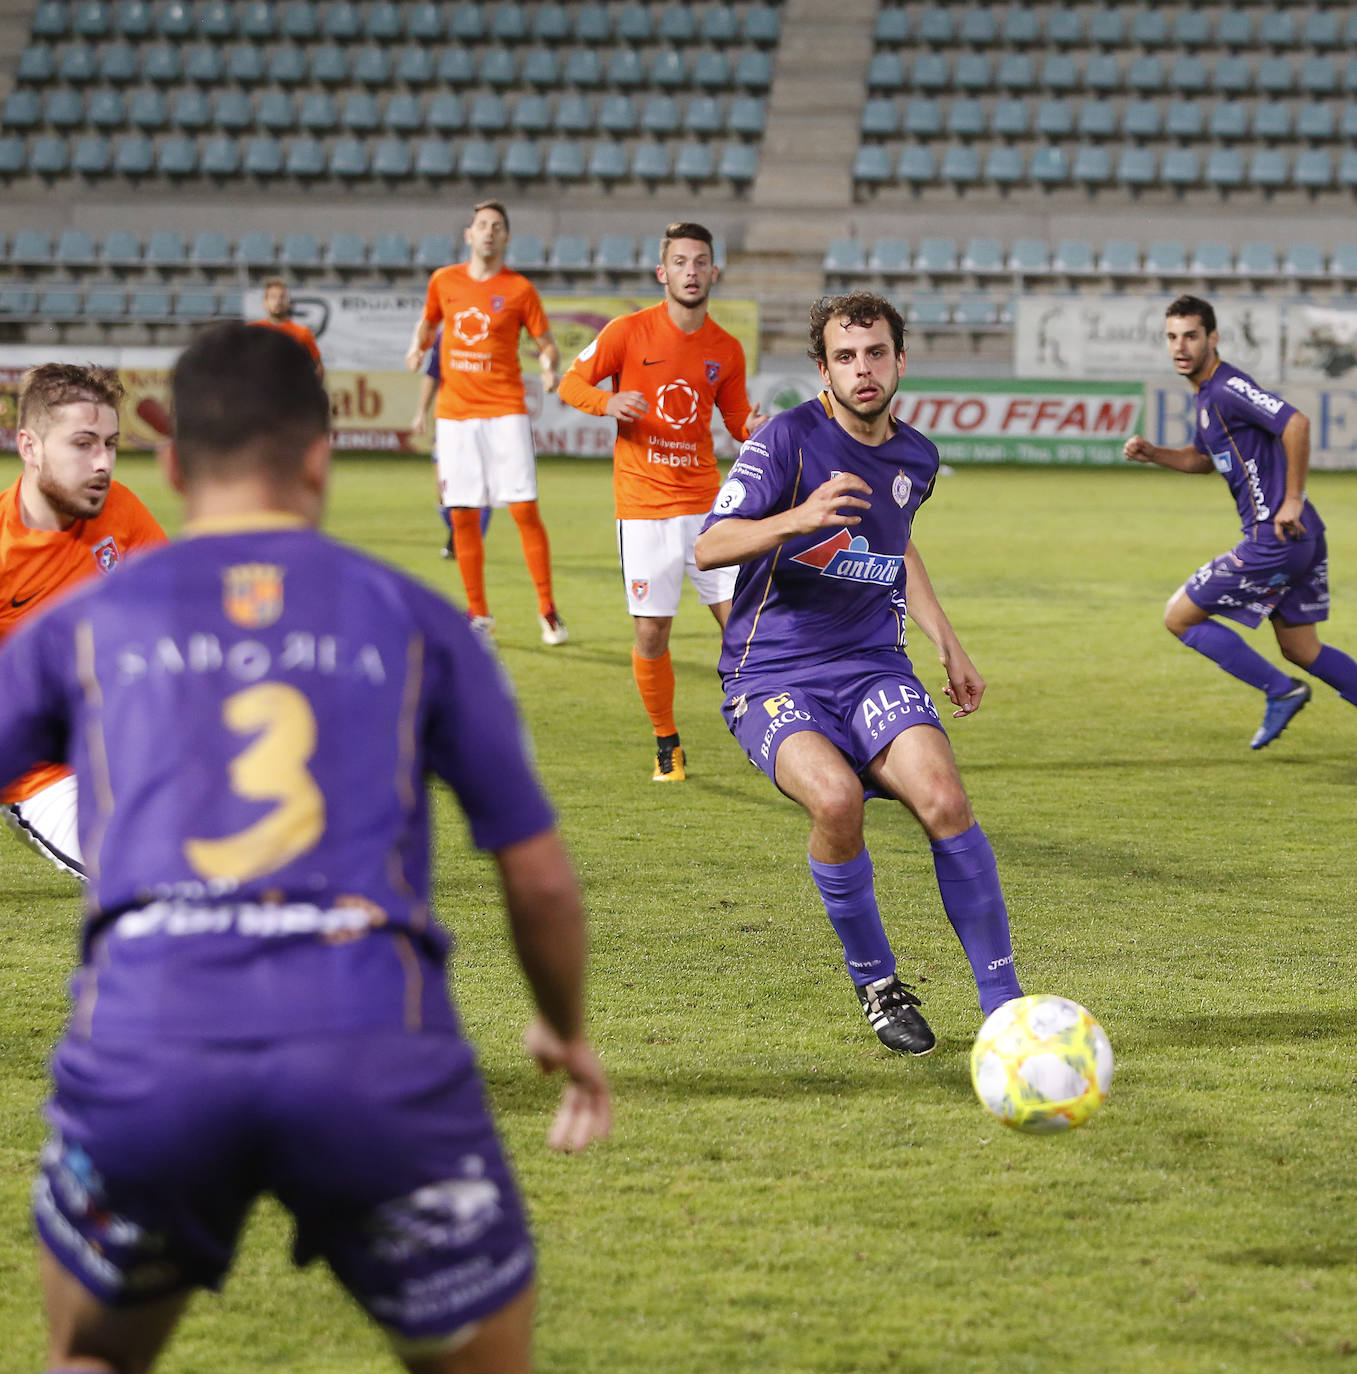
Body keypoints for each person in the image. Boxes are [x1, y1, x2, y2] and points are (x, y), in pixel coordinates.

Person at [0, 322, 610, 1374]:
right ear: (324, 458)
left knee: (90, 1354)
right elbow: (541, 877)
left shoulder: (86, 622)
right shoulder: (420, 622)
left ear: (174, 465)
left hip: (151, 1060)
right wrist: (563, 1029)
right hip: (370, 1054)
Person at [692, 292, 1022, 1055]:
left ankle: (1004, 1006)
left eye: (875, 353)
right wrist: (795, 518)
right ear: (822, 369)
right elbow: (709, 548)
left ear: (899, 361)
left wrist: (947, 639)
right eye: (845, 357)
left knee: (942, 797)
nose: (862, 369)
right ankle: (877, 983)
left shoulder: (916, 456)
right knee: (836, 800)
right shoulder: (785, 442)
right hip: (771, 674)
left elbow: (896, 545)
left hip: (872, 664)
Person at [558, 221, 764, 781]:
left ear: (713, 272)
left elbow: (737, 417)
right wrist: (607, 402)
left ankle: (770, 726)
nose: (690, 272)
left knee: (744, 626)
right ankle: (666, 740)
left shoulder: (725, 348)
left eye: (700, 262)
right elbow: (570, 383)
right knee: (652, 633)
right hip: (645, 509)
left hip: (706, 505)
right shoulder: (627, 332)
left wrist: (757, 427)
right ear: (662, 272)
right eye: (680, 262)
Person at [1124, 295, 1357, 748]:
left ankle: (1280, 690)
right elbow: (1201, 460)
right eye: (1172, 337)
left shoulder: (1228, 387)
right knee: (1301, 648)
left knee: (1180, 617)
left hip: (1277, 536)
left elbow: (1297, 423)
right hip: (1301, 536)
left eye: (1191, 335)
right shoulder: (1206, 397)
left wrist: (1290, 499)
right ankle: (1286, 684)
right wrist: (1155, 454)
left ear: (1213, 338)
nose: (1180, 346)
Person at [1, 363, 165, 878]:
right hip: (42, 770)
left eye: (111, 444)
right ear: (30, 446)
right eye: (83, 444)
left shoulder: (121, 511)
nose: (103, 463)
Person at [405, 200, 567, 646]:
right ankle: (478, 614)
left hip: (505, 410)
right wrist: (418, 347)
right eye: (482, 225)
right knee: (462, 516)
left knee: (523, 510)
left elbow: (547, 344)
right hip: (455, 416)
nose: (489, 232)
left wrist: (551, 365)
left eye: (497, 226)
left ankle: (547, 610)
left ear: (506, 237)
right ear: (468, 234)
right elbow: (428, 323)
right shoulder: (444, 281)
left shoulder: (519, 289)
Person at [410, 324, 492, 562]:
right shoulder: (445, 336)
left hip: (486, 420)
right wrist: (421, 412)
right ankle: (458, 533)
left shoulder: (494, 334)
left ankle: (469, 541)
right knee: (444, 489)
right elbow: (433, 373)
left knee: (480, 485)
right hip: (449, 420)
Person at [248, 276, 324, 377]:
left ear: (289, 303)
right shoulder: (252, 331)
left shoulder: (302, 333)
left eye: (282, 297)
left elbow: (318, 365)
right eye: (273, 297)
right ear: (265, 303)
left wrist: (309, 390)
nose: (278, 301)